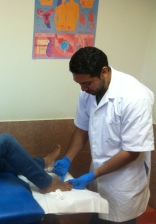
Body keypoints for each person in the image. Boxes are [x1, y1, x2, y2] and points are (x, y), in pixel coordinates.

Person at [53, 46, 154, 223]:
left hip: (124, 184)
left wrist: (93, 174)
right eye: (79, 83)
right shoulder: (88, 92)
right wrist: (68, 158)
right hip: (100, 176)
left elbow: (132, 151)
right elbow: (82, 129)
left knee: (118, 219)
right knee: (97, 218)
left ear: (104, 72)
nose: (83, 88)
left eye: (87, 83)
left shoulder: (135, 97)